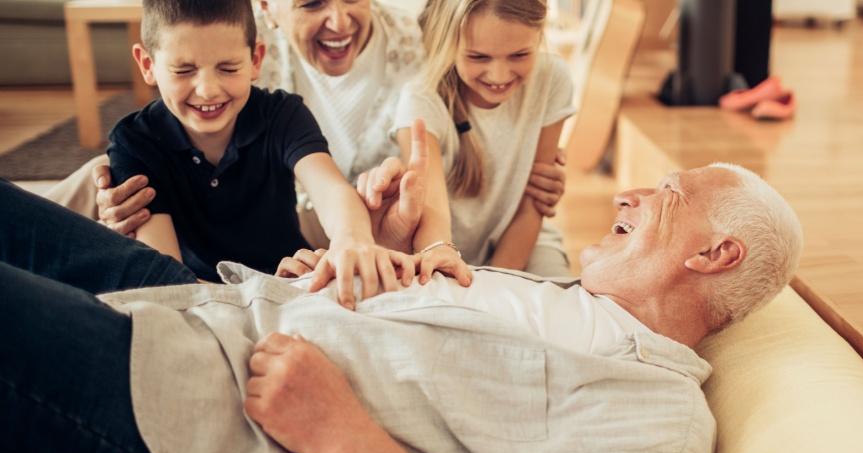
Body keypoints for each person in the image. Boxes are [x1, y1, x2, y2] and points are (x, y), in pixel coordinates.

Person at [0, 162, 804, 453]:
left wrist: (344, 436)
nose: (627, 195)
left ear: (713, 253)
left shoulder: (658, 418)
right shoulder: (570, 296)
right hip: (211, 304)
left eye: (664, 193)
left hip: (195, 407)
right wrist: (364, 266)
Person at [41, 0, 570, 259]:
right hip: (287, 212)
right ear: (268, 9)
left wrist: (531, 179)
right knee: (106, 175)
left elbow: (483, 103)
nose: (338, 21)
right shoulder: (235, 56)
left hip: (357, 217)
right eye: (312, 2)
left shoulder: (426, 47)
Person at [101, 0, 464, 309]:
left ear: (257, 58)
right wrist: (266, 294)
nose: (208, 89)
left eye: (229, 69)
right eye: (183, 71)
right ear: (147, 65)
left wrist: (352, 240)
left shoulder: (283, 114)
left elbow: (332, 190)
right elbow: (169, 284)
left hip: (294, 281)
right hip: (220, 295)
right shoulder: (135, 141)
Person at [359, 0, 574, 277]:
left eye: (519, 55)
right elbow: (431, 207)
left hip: (526, 244)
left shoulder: (553, 78)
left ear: (540, 34)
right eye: (478, 57)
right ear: (449, 44)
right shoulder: (421, 98)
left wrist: (498, 285)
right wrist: (443, 253)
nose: (499, 75)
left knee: (558, 309)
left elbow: (534, 203)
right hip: (436, 249)